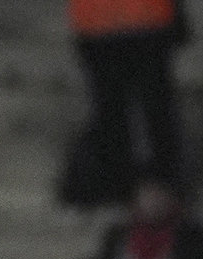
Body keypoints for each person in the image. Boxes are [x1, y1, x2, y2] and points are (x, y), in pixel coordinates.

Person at [63, 0, 184, 206]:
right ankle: (162, 186)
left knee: (111, 113)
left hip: (98, 23)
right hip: (147, 19)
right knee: (156, 112)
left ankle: (120, 186)